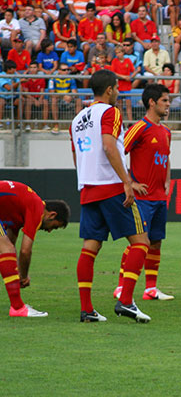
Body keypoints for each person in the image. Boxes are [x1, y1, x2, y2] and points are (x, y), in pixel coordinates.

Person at [70, 69, 152, 323]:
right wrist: (127, 182)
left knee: (90, 248)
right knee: (141, 243)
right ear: (109, 90)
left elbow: (77, 157)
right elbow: (108, 145)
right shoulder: (110, 112)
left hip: (88, 187)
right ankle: (125, 301)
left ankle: (87, 310)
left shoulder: (76, 119)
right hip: (112, 187)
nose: (118, 92)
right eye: (117, 88)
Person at [112, 83, 175, 302]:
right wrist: (129, 182)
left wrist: (166, 180)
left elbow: (166, 159)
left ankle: (151, 288)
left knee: (156, 242)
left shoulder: (166, 132)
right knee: (138, 242)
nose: (169, 104)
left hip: (159, 197)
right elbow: (119, 153)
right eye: (165, 100)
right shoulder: (140, 127)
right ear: (152, 102)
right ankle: (121, 286)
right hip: (142, 199)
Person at [0, 181, 70, 317]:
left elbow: (11, 247)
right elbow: (25, 250)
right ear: (52, 215)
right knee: (6, 249)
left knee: (6, 249)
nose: (49, 231)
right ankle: (18, 307)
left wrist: (16, 273)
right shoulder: (37, 208)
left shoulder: (22, 207)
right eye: (54, 227)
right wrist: (24, 276)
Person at [50, 63, 82, 134]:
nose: (67, 71)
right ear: (59, 71)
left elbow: (75, 93)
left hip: (69, 99)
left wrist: (71, 96)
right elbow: (51, 93)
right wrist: (63, 96)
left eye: (68, 69)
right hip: (59, 99)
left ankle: (77, 124)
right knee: (53, 100)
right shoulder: (53, 79)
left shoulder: (71, 79)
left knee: (79, 100)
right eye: (64, 70)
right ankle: (56, 125)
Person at [22, 62, 49, 131]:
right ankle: (28, 124)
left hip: (39, 97)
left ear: (37, 69)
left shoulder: (41, 79)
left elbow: (42, 92)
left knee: (45, 102)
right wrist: (35, 100)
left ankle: (45, 124)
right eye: (31, 67)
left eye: (34, 67)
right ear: (29, 69)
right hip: (30, 98)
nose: (33, 69)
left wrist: (40, 99)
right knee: (28, 102)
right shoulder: (27, 79)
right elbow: (26, 93)